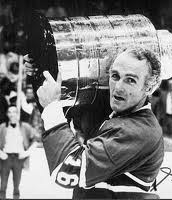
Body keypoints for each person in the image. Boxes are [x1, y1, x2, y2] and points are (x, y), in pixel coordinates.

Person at [24, 47, 164, 199]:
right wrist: (41, 70)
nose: (118, 87)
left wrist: (51, 108)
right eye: (115, 76)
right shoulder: (112, 112)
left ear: (149, 87)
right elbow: (56, 109)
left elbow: (69, 171)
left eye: (130, 80)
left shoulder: (140, 131)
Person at [0, 105, 38, 199]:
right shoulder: (2, 127)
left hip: (18, 159)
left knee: (16, 184)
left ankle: (16, 197)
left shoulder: (25, 127)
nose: (12, 114)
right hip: (5, 158)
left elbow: (35, 142)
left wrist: (26, 153)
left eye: (14, 112)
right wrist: (0, 153)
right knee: (3, 184)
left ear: (18, 114)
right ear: (7, 114)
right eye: (10, 112)